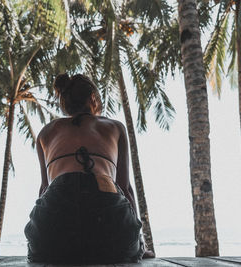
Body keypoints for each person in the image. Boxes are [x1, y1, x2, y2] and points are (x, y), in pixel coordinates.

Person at [24, 74, 148, 264]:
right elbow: (125, 187)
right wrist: (136, 241)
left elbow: (45, 189)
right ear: (92, 97)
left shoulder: (47, 132)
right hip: (106, 214)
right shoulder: (114, 127)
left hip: (54, 225)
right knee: (127, 249)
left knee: (42, 251)